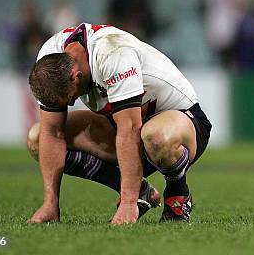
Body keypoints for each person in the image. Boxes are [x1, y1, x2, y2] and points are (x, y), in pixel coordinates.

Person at [26, 23, 212, 225]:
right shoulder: (48, 61)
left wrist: (128, 201)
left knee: (155, 136)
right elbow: (52, 133)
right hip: (122, 126)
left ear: (76, 76)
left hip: (183, 121)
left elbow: (130, 128)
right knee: (37, 137)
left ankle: (177, 192)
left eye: (70, 98)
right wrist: (50, 203)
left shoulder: (112, 53)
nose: (72, 103)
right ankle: (142, 192)